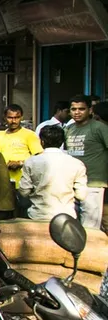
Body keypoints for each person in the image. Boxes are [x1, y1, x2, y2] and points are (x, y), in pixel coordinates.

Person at [19, 125, 88, 221]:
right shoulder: (77, 163)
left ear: (42, 141)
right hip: (66, 217)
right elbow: (81, 195)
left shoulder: (31, 162)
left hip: (38, 215)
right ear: (62, 142)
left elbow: (24, 191)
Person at [65, 94, 108, 230]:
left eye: (81, 109)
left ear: (90, 110)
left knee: (91, 228)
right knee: (73, 227)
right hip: (72, 183)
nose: (77, 112)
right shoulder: (68, 129)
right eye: (73, 109)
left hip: (93, 183)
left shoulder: (99, 128)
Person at [0, 104, 41, 186]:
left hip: (24, 183)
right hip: (2, 182)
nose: (13, 121)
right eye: (10, 117)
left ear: (21, 118)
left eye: (17, 117)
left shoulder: (30, 135)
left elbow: (38, 158)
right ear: (5, 118)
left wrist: (20, 163)